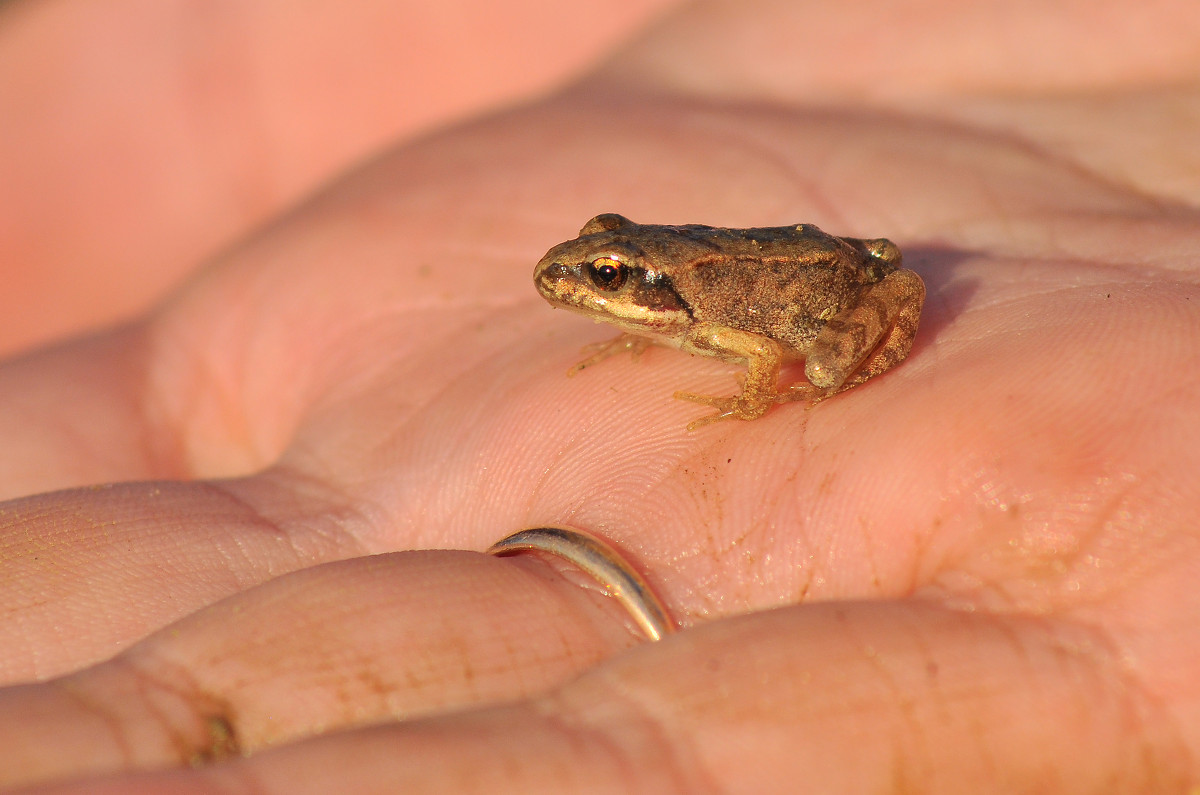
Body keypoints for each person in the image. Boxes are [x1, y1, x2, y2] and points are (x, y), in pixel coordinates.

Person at [2, 0, 1199, 791]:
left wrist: (758, 398)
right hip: (834, 246)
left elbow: (766, 351)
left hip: (822, 285)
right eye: (602, 265)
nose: (590, 286)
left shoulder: (722, 315)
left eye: (616, 281)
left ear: (661, 291)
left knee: (824, 366)